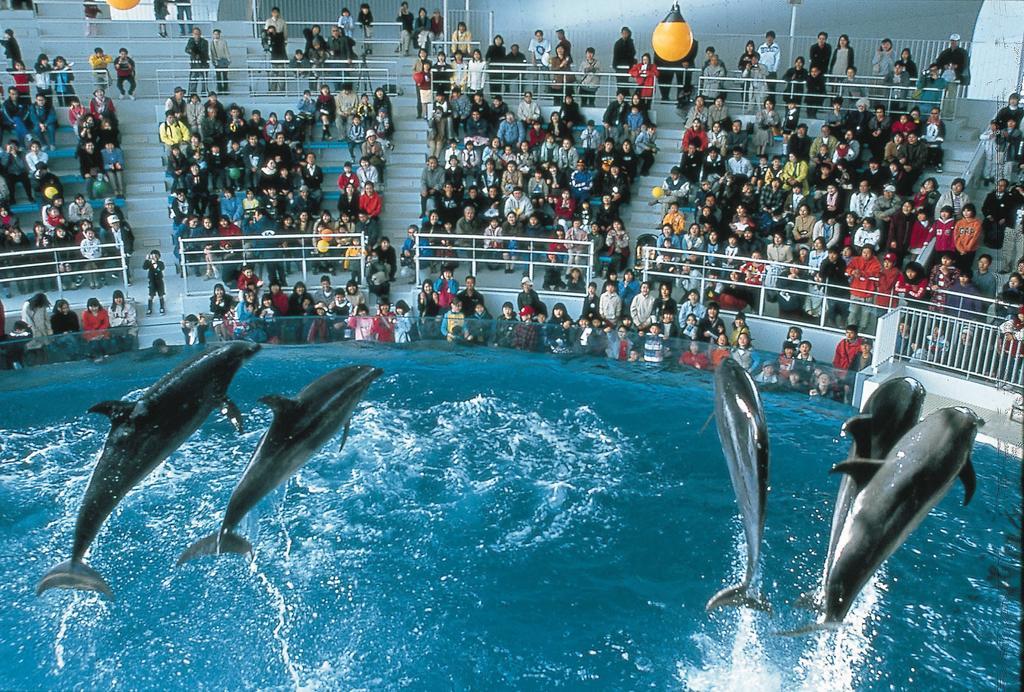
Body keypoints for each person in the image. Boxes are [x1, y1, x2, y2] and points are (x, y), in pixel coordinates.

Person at [185, 27, 210, 95]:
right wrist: (193, 52)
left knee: (204, 79)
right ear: (193, 34)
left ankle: (204, 93)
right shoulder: (191, 41)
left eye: (198, 34)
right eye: (195, 34)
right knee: (193, 79)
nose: (197, 35)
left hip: (203, 63)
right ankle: (192, 94)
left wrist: (194, 52)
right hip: (194, 65)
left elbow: (203, 51)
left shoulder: (204, 41)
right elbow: (187, 49)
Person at [143, 249, 166, 315]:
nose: (154, 257)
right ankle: (149, 308)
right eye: (153, 256)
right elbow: (144, 267)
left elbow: (158, 269)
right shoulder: (149, 263)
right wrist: (147, 260)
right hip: (152, 281)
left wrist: (153, 262)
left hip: (159, 281)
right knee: (151, 295)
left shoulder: (161, 263)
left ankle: (162, 307)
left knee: (161, 295)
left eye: (156, 256)